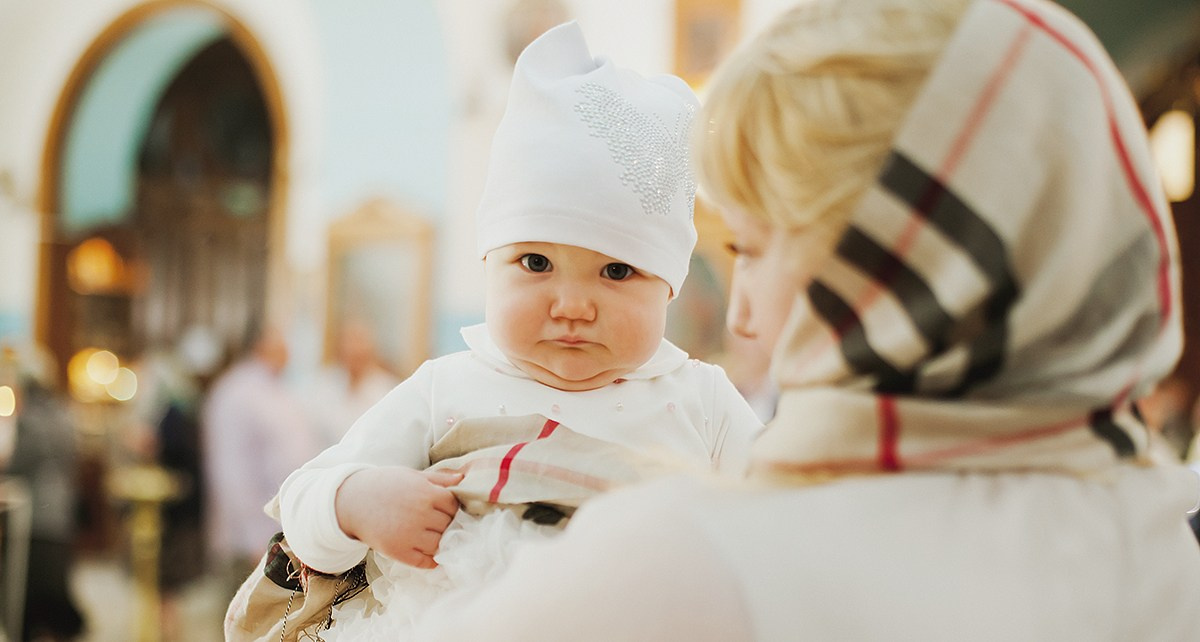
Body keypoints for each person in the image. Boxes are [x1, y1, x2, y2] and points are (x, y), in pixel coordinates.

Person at [416, 0, 1200, 639]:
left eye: (752, 249)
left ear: (888, 267)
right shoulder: (1174, 543)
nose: (746, 318)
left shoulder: (693, 566)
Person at [256, 21, 763, 640]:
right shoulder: (447, 389)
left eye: (617, 270)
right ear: (488, 264)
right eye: (537, 264)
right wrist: (359, 500)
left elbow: (784, 524)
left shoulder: (702, 402)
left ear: (670, 285)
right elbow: (304, 497)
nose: (573, 304)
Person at [201, 323, 321, 594]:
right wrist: (256, 537)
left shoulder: (278, 389)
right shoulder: (237, 392)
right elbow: (232, 472)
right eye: (281, 342)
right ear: (261, 345)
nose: (288, 350)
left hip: (281, 533)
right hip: (251, 540)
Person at [2, 343, 86, 641]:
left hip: (34, 513)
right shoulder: (64, 414)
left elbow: (18, 465)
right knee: (53, 578)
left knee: (29, 588)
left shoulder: (30, 421)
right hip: (60, 509)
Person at [299, 319, 400, 449]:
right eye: (350, 342)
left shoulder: (389, 389)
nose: (355, 350)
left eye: (361, 341)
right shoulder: (322, 386)